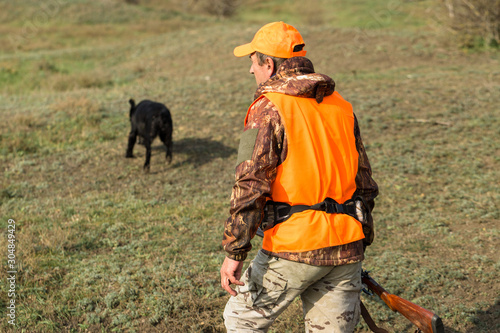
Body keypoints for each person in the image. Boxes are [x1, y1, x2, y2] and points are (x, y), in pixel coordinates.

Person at [220, 21, 379, 332]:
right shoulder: (341, 106)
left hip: (294, 245)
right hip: (347, 245)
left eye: (253, 62)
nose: (251, 71)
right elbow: (366, 183)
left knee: (241, 319)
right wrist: (359, 241)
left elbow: (250, 185)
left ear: (269, 63)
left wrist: (234, 251)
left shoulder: (269, 108)